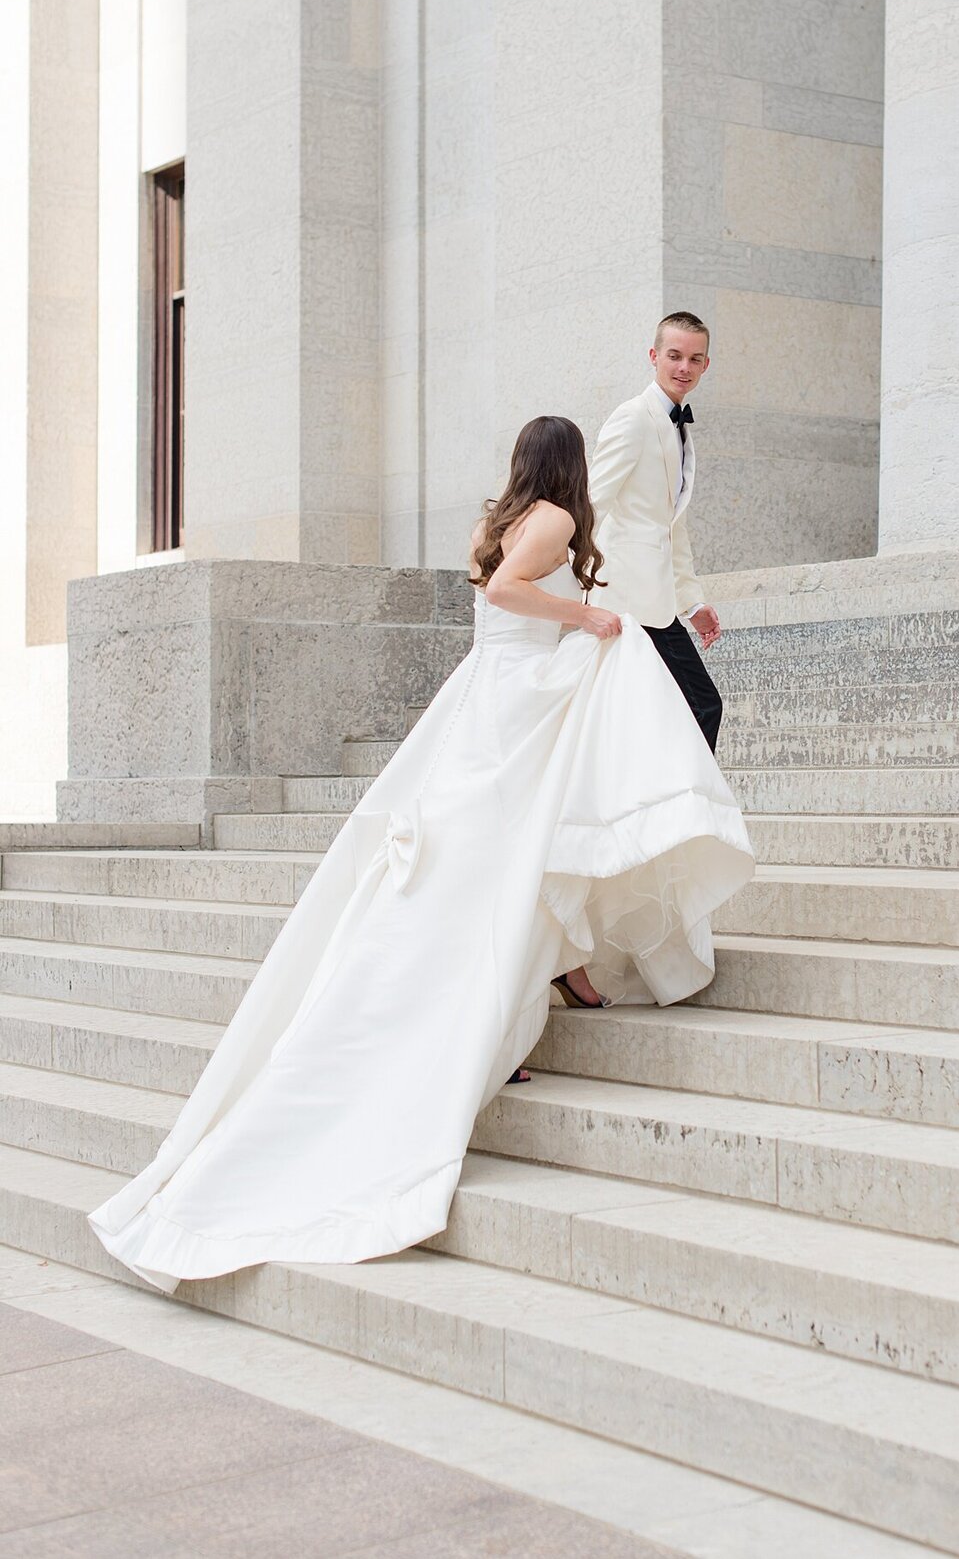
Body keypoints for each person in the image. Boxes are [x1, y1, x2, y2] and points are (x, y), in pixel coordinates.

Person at [88, 416, 754, 1292]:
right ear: (567, 463)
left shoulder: (500, 515)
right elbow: (515, 594)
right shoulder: (550, 518)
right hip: (511, 690)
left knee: (498, 851)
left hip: (490, 689)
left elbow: (494, 585)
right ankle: (548, 967)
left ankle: (553, 967)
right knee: (535, 807)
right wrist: (586, 614)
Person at [589, 311, 723, 751]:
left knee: (670, 711)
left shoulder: (678, 427)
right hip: (625, 599)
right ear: (654, 356)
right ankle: (684, 806)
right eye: (674, 356)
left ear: (706, 364)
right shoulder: (633, 418)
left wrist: (693, 600)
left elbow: (672, 526)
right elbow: (592, 503)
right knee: (700, 704)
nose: (684, 367)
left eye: (694, 359)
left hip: (659, 600)